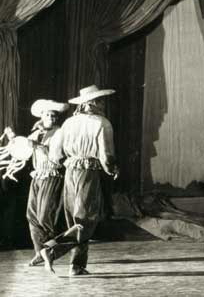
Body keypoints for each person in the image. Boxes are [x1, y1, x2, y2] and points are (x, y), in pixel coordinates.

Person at [40, 85, 119, 276]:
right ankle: (52, 249)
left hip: (70, 172)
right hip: (88, 172)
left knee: (74, 220)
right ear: (91, 103)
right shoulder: (102, 123)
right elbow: (106, 155)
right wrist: (111, 169)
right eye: (99, 100)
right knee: (86, 219)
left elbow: (55, 155)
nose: (102, 104)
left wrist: (69, 161)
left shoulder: (68, 124)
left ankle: (76, 265)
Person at [3, 99, 68, 266]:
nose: (52, 118)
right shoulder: (36, 133)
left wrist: (37, 145)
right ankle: (40, 252)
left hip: (52, 176)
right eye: (48, 115)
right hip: (37, 177)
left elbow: (56, 155)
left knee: (45, 216)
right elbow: (21, 150)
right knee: (32, 216)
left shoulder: (59, 133)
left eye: (54, 115)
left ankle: (50, 250)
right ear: (42, 116)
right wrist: (12, 138)